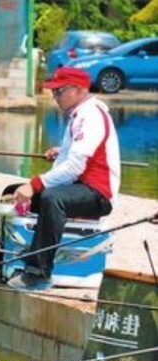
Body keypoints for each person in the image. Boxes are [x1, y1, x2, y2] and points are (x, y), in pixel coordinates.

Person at [7, 67, 119, 291]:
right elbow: (76, 156)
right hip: (79, 185)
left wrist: (35, 184)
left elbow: (76, 167)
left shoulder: (92, 116)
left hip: (98, 194)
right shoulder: (79, 114)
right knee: (13, 191)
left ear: (78, 90)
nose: (54, 97)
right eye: (53, 92)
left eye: (59, 91)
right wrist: (61, 151)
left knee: (52, 198)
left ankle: (38, 272)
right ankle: (26, 251)